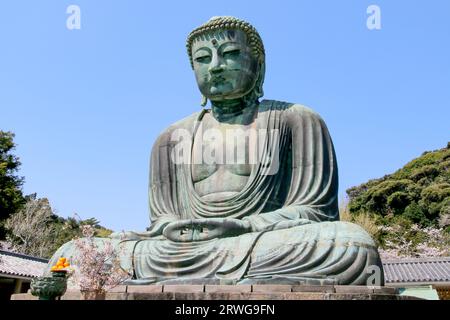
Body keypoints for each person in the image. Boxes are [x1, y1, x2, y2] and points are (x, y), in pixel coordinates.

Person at [48, 16, 384, 286]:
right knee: (74, 253)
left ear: (259, 63)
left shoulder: (296, 119)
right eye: (203, 59)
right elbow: (163, 218)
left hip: (262, 242)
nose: (216, 66)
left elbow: (315, 212)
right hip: (182, 250)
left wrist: (241, 226)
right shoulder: (171, 137)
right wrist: (170, 230)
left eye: (231, 54)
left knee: (351, 246)